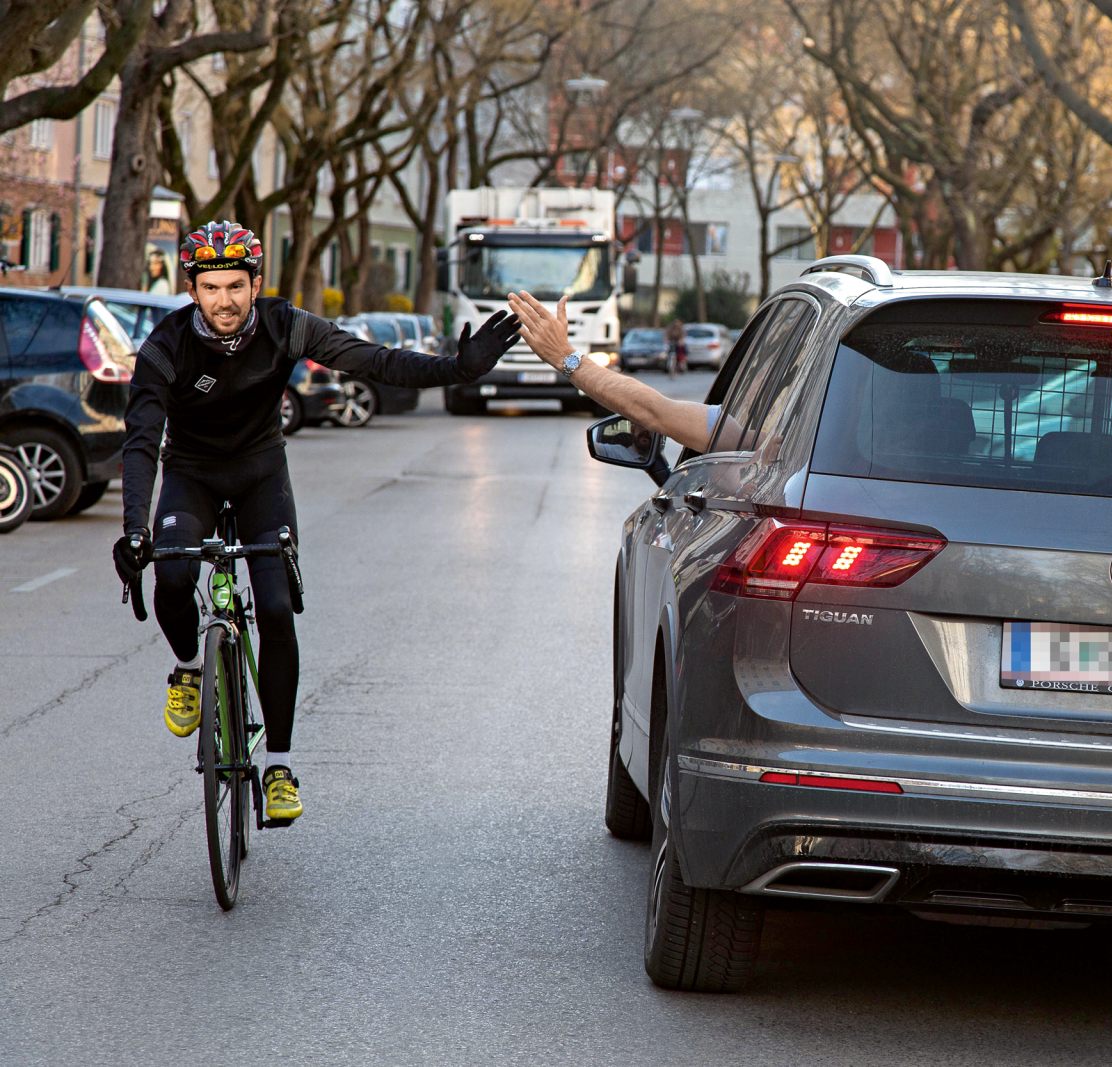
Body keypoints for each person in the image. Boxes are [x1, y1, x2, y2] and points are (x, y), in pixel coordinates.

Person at [112, 221, 521, 823]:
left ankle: (277, 764)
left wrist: (454, 370)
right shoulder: (165, 345)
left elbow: (374, 360)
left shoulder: (287, 326)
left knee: (275, 608)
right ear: (191, 289)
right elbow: (142, 440)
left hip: (260, 474)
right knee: (171, 576)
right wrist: (134, 529)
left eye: (234, 286)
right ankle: (190, 670)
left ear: (256, 283)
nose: (223, 301)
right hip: (191, 473)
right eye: (209, 288)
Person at [507, 293, 726, 452]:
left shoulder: (744, 437)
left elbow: (654, 412)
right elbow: (653, 412)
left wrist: (563, 355)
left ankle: (681, 363)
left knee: (679, 351)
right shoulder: (752, 439)